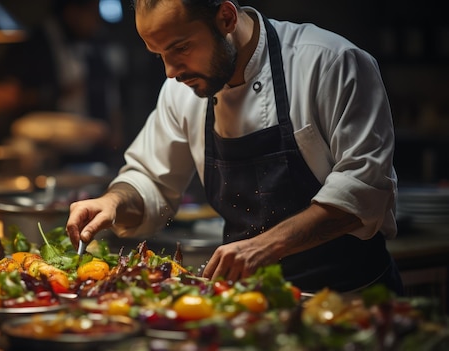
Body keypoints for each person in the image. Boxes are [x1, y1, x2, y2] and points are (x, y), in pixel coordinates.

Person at [65, 0, 404, 295]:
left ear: (226, 18)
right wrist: (112, 202)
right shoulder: (182, 89)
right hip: (248, 307)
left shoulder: (329, 63)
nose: (170, 72)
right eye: (159, 55)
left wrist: (266, 246)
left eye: (180, 48)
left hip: (351, 299)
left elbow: (364, 191)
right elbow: (149, 180)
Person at [0, 0, 125, 168]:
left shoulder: (98, 43)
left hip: (96, 156)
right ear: (72, 12)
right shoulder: (33, 45)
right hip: (48, 160)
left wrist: (115, 134)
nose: (98, 20)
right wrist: (50, 94)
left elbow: (112, 95)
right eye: (93, 12)